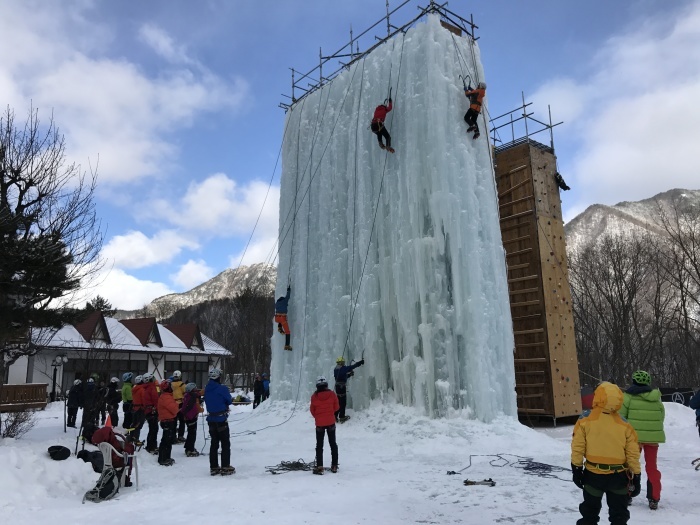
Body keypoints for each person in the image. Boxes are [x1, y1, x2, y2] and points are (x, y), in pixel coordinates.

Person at [571, 381, 641, 525]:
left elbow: (577, 447)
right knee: (619, 516)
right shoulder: (625, 424)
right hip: (619, 477)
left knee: (589, 514)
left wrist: (577, 469)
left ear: (598, 396)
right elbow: (633, 453)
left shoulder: (585, 420)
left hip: (593, 476)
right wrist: (636, 476)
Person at [618, 370, 665, 510]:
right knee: (652, 467)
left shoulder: (628, 397)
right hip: (652, 439)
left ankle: (628, 493)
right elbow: (661, 416)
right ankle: (654, 498)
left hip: (634, 438)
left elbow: (622, 418)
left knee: (630, 464)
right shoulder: (656, 397)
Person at [203, 367, 235, 476]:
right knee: (225, 443)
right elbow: (229, 400)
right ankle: (225, 466)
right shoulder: (222, 388)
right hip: (221, 419)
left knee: (214, 443)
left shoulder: (207, 388)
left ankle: (214, 467)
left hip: (211, 419)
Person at [310, 376, 340, 475]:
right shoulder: (332, 394)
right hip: (331, 422)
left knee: (319, 445)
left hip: (319, 424)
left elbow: (312, 410)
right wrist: (330, 413)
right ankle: (334, 465)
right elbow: (337, 407)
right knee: (333, 444)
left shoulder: (314, 396)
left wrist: (318, 417)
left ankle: (320, 466)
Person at [333, 356, 365, 422]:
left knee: (338, 401)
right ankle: (342, 416)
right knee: (343, 402)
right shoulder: (343, 368)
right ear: (341, 362)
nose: (344, 363)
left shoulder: (336, 369)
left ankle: (335, 416)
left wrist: (349, 375)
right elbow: (351, 367)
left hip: (337, 387)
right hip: (342, 387)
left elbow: (341, 377)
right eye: (343, 362)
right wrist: (360, 363)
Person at [157, 379, 178, 466]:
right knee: (166, 440)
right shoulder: (166, 397)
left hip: (167, 420)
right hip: (167, 421)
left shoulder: (166, 396)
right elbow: (174, 409)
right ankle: (163, 458)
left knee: (167, 440)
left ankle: (166, 457)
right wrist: (177, 405)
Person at [181, 382, 204, 457]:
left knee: (190, 432)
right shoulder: (193, 396)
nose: (196, 390)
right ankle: (190, 449)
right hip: (191, 417)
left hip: (188, 416)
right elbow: (197, 407)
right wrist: (202, 409)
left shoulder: (187, 395)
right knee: (192, 433)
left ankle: (188, 447)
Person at [141, 373, 160, 454]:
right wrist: (158, 410)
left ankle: (150, 445)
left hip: (148, 410)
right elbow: (155, 400)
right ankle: (152, 446)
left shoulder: (145, 388)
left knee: (152, 429)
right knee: (154, 429)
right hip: (152, 410)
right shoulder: (152, 388)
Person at [170, 370, 187, 443]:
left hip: (172, 403)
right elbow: (186, 394)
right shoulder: (182, 385)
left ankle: (173, 436)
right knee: (182, 421)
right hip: (181, 403)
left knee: (173, 421)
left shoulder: (170, 384)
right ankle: (180, 435)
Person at [275, 286, 293, 350]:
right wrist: (289, 290)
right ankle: (287, 345)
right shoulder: (284, 301)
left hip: (277, 317)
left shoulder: (277, 303)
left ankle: (279, 327)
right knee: (287, 332)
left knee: (280, 320)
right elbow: (288, 296)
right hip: (282, 318)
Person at [129, 375, 145, 445]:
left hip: (135, 408)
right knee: (139, 424)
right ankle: (136, 439)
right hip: (140, 408)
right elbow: (143, 399)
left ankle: (131, 437)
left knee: (134, 423)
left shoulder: (134, 389)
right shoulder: (142, 389)